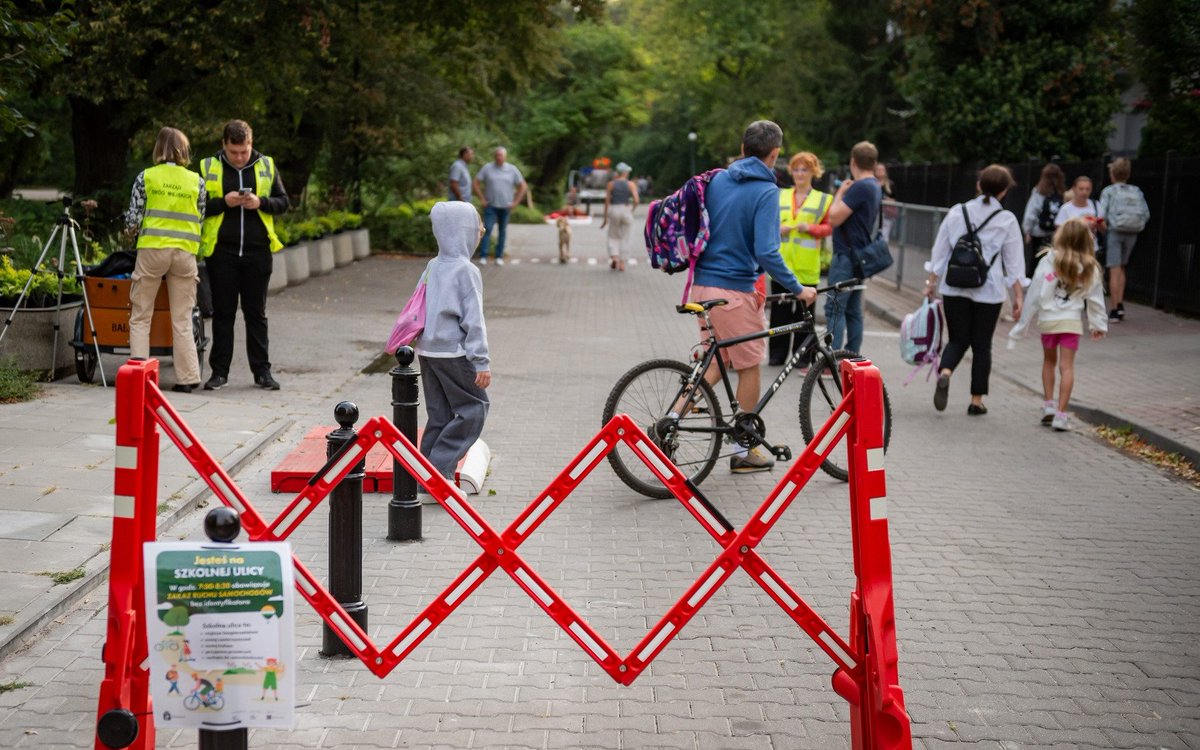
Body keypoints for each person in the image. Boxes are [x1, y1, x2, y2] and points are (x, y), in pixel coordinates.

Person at [689, 120, 817, 474]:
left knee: (717, 362)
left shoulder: (716, 180)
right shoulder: (765, 192)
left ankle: (670, 419)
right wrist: (798, 288)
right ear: (774, 155)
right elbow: (767, 252)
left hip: (702, 287)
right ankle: (743, 452)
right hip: (733, 291)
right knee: (749, 366)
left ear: (742, 148)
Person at [923, 164, 1025, 416]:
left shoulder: (958, 212)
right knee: (982, 345)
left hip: (954, 286)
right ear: (1004, 191)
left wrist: (931, 282)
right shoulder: (1006, 220)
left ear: (979, 185)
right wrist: (1018, 296)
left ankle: (945, 372)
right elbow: (1013, 262)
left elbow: (941, 251)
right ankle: (976, 401)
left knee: (957, 338)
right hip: (988, 291)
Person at [200, 119, 290, 391]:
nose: (239, 158)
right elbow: (197, 206)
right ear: (224, 146)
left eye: (244, 151)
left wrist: (260, 203)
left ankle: (262, 372)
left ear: (251, 144)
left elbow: (283, 202)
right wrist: (222, 203)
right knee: (223, 313)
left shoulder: (266, 165)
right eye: (234, 152)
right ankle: (219, 373)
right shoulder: (209, 166)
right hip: (222, 252)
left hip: (257, 251)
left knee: (256, 313)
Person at [414, 201, 492, 490]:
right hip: (454, 352)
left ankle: (426, 482)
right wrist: (481, 361)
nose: (481, 231)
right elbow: (474, 321)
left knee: (440, 415)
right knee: (475, 407)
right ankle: (438, 473)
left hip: (428, 351)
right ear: (464, 232)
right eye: (477, 227)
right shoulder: (466, 271)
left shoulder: (433, 265)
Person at [125, 126, 206, 393]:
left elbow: (133, 220)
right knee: (182, 319)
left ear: (158, 149)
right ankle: (188, 378)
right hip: (184, 253)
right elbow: (200, 217)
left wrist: (129, 235)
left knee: (141, 316)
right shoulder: (197, 181)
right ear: (184, 150)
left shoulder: (146, 177)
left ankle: (140, 375)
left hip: (152, 250)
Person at [1008, 219, 1107, 431]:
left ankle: (1048, 405)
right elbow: (1095, 297)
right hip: (1071, 321)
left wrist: (1024, 322)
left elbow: (1035, 289)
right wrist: (1097, 324)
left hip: (1049, 320)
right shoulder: (1090, 266)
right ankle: (1062, 415)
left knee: (1049, 362)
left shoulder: (1050, 260)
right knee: (1067, 367)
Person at [769, 151, 832, 366]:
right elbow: (768, 224)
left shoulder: (823, 200)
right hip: (781, 266)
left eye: (804, 169)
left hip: (806, 267)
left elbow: (828, 227)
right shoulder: (780, 195)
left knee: (804, 316)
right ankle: (777, 356)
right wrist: (778, 229)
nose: (799, 173)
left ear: (813, 172)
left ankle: (803, 357)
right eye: (796, 169)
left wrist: (811, 228)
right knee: (779, 313)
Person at [825, 141, 883, 354]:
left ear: (853, 162)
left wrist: (840, 192)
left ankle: (831, 359)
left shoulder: (860, 187)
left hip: (846, 258)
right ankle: (852, 355)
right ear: (875, 163)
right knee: (852, 310)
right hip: (860, 256)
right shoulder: (875, 186)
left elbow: (834, 218)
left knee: (835, 308)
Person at [1096, 158, 1149, 323]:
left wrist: (1105, 231)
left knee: (1114, 269)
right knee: (1122, 267)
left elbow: (1100, 216)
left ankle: (1114, 308)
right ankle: (1120, 303)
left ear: (1112, 173)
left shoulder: (1109, 191)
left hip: (1115, 231)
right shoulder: (1136, 190)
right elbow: (1146, 214)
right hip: (1132, 231)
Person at [472, 146, 526, 266]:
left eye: (500, 155)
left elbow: (522, 186)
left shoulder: (512, 169)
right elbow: (475, 182)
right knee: (487, 230)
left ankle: (499, 256)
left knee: (502, 231)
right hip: (490, 205)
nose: (498, 157)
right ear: (494, 156)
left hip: (506, 206)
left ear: (505, 157)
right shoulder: (487, 168)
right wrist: (482, 199)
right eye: (496, 155)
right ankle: (483, 256)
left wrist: (516, 202)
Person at [1020, 163, 1065, 278]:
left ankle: (1034, 279)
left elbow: (1031, 212)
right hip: (1056, 231)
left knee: (1037, 257)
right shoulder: (1061, 192)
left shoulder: (1039, 191)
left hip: (1039, 230)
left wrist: (1027, 230)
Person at [600, 162, 639, 271]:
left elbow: (607, 201)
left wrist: (605, 219)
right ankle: (622, 263)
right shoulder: (630, 184)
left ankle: (614, 256)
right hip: (626, 209)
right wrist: (632, 210)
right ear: (625, 173)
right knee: (625, 237)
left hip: (614, 210)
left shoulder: (611, 184)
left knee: (613, 235)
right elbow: (636, 200)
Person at [1054, 175, 1105, 254]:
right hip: (1072, 250)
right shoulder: (1065, 209)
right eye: (1081, 189)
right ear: (1074, 189)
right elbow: (1059, 233)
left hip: (1092, 249)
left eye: (1088, 189)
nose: (1084, 192)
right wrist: (1081, 226)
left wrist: (1097, 223)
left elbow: (1104, 230)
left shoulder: (1096, 205)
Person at [875, 162, 899, 240]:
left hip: (886, 214)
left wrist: (888, 200)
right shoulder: (872, 183)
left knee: (884, 236)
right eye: (878, 169)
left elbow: (895, 198)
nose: (880, 171)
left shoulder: (890, 184)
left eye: (882, 170)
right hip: (874, 213)